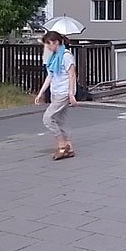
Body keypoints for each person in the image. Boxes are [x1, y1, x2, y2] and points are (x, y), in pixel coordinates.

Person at [35, 31, 77, 160]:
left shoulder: (66, 56)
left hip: (63, 92)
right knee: (60, 121)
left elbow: (72, 74)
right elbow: (50, 76)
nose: (48, 47)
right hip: (56, 91)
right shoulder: (54, 57)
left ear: (56, 42)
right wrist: (41, 92)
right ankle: (69, 147)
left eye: (49, 44)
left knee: (47, 118)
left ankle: (62, 146)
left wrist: (71, 94)